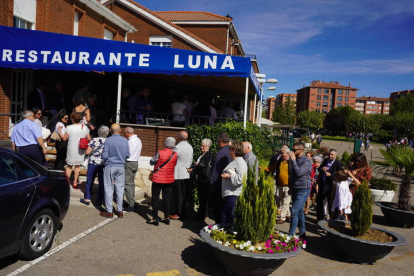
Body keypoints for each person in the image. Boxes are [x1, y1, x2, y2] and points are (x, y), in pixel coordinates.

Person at [100, 123, 130, 218]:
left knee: (109, 188)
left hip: (110, 165)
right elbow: (128, 154)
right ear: (120, 130)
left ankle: (109, 211)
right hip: (121, 166)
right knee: (120, 188)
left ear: (110, 130)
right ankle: (120, 210)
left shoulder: (108, 140)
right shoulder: (125, 140)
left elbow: (104, 155)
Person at [147, 137, 178, 226]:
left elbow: (152, 162)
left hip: (158, 179)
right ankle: (166, 217)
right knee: (167, 198)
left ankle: (155, 218)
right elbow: (174, 164)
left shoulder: (159, 153)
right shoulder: (175, 154)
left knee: (155, 198)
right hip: (169, 179)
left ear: (165, 143)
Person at [288, 142, 312, 240]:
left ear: (300, 150)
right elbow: (292, 174)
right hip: (295, 188)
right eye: (292, 149)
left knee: (293, 210)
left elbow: (298, 173)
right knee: (299, 212)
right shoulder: (295, 159)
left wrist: (293, 161)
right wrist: (291, 186)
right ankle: (302, 233)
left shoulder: (306, 161)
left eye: (294, 150)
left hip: (303, 189)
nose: (293, 152)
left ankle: (290, 235)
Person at [59, 112, 91, 188]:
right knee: (78, 166)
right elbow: (89, 138)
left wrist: (60, 131)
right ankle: (75, 182)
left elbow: (64, 138)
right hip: (80, 148)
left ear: (72, 119)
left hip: (71, 147)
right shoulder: (84, 127)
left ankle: (67, 182)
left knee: (69, 165)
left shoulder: (69, 127)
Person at [80, 126, 109, 206]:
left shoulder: (94, 140)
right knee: (102, 181)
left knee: (89, 181)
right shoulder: (108, 141)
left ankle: (87, 198)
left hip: (93, 162)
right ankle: (100, 199)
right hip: (103, 164)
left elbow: (87, 152)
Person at [220, 141, 248, 226]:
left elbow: (241, 179)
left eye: (230, 149)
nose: (229, 151)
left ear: (234, 150)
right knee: (227, 217)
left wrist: (229, 175)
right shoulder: (236, 161)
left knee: (229, 218)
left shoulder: (240, 162)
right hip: (230, 194)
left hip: (234, 195)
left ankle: (227, 236)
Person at [187, 139, 214, 221]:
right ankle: (201, 214)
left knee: (203, 198)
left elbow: (203, 165)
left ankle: (201, 216)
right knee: (201, 197)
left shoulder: (208, 154)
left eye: (203, 146)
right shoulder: (202, 154)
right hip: (200, 179)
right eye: (201, 145)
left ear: (208, 147)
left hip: (204, 179)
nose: (201, 147)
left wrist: (193, 169)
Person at [170, 131, 193, 220]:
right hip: (186, 173)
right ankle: (180, 212)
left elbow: (171, 158)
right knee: (183, 195)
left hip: (178, 174)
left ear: (179, 137)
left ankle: (178, 213)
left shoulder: (178, 147)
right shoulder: (189, 146)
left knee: (178, 195)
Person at [211, 132, 232, 224]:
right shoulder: (232, 151)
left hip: (220, 185)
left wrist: (212, 185)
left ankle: (218, 230)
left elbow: (216, 171)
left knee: (219, 210)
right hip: (230, 185)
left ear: (220, 141)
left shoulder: (221, 152)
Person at [317, 149, 343, 221]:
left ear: (335, 155)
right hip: (323, 183)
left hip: (331, 186)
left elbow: (340, 176)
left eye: (332, 154)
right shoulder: (325, 160)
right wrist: (322, 168)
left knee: (330, 202)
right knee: (319, 200)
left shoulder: (338, 164)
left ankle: (331, 219)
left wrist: (331, 175)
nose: (330, 156)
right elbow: (319, 169)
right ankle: (320, 217)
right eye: (329, 154)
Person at [123, 127, 142, 212]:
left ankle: (131, 204)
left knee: (128, 184)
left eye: (124, 133)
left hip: (129, 162)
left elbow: (128, 153)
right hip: (135, 162)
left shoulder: (131, 141)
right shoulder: (138, 140)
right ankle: (131, 201)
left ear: (128, 133)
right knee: (131, 183)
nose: (124, 134)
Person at [273, 147, 292, 224]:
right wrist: (263, 169)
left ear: (288, 153)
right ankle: (288, 215)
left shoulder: (292, 162)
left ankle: (282, 218)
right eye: (280, 153)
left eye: (282, 153)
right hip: (280, 185)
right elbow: (272, 167)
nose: (281, 155)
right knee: (282, 201)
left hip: (288, 186)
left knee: (285, 202)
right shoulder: (280, 161)